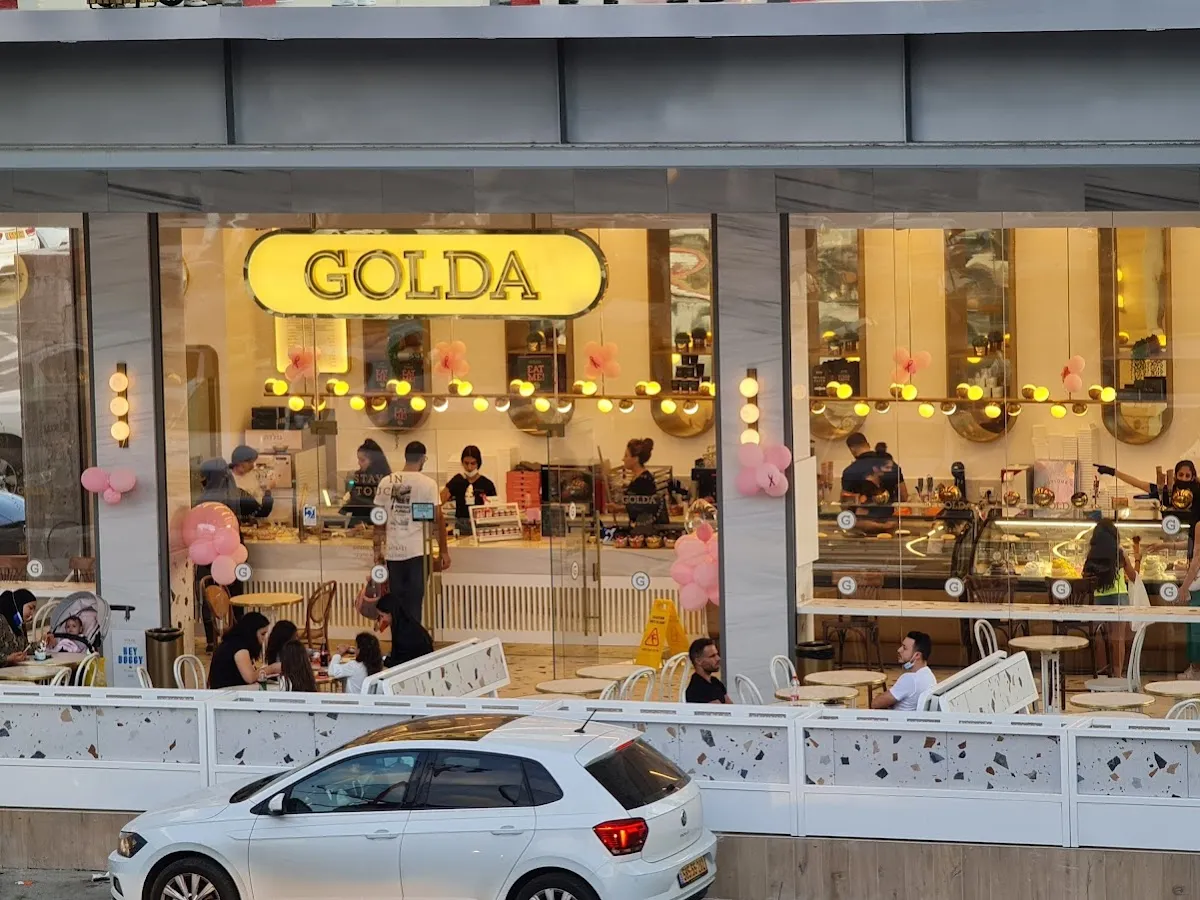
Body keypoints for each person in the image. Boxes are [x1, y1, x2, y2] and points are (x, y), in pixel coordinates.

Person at [373, 440, 449, 667]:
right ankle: (413, 654)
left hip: (394, 553)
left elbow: (378, 520)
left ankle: (399, 650)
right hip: (418, 552)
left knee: (396, 605)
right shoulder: (428, 484)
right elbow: (438, 519)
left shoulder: (387, 482)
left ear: (405, 457)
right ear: (423, 459)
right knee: (415, 603)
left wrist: (377, 550)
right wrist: (443, 551)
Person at [1083, 520, 1137, 678]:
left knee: (1100, 636)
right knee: (1118, 639)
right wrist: (1138, 560)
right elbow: (1133, 576)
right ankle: (1117, 674)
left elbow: (1085, 576)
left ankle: (1102, 671)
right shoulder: (1120, 553)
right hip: (1119, 596)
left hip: (1098, 597)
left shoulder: (1092, 554)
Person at [208, 612, 277, 689]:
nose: (264, 638)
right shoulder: (239, 647)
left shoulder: (232, 642)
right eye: (262, 634)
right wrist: (272, 669)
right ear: (252, 633)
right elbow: (250, 678)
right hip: (225, 691)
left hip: (228, 689)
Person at [841, 433, 909, 508]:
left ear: (852, 449)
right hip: (889, 514)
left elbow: (845, 504)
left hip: (863, 514)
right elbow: (904, 496)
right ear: (868, 445)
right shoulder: (891, 465)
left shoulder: (850, 471)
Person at [872, 632, 936, 711]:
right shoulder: (929, 676)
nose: (899, 650)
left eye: (904, 648)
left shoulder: (910, 679)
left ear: (917, 655)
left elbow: (875, 703)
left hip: (895, 718)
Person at [441, 445, 497, 536]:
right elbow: (440, 500)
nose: (469, 467)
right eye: (466, 463)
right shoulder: (457, 481)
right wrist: (451, 485)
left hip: (481, 525)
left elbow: (494, 508)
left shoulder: (487, 484)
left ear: (478, 463)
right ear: (462, 463)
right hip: (462, 525)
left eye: (473, 463)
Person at [341, 439, 392, 525]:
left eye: (362, 460)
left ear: (373, 461)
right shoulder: (359, 475)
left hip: (377, 520)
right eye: (358, 460)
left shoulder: (385, 479)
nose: (359, 463)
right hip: (359, 521)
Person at [623, 438, 669, 529]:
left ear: (635, 459)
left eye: (626, 456)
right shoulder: (637, 478)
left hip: (644, 527)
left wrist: (618, 508)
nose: (623, 459)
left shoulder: (644, 480)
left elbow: (642, 506)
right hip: (638, 526)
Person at [685, 637, 731, 704]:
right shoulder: (696, 690)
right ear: (698, 661)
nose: (718, 658)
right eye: (712, 656)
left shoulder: (715, 682)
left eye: (717, 654)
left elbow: (731, 705)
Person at [0, 589, 36, 666]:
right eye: (30, 608)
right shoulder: (1, 621)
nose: (32, 614)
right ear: (19, 604)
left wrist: (43, 642)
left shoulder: (18, 625)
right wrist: (7, 659)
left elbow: (25, 648)